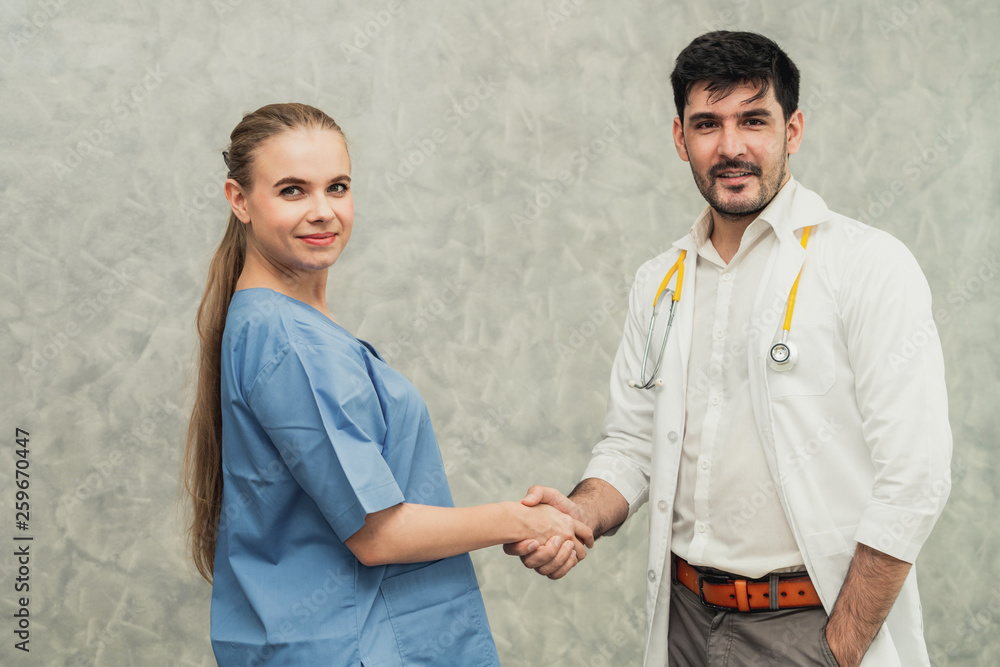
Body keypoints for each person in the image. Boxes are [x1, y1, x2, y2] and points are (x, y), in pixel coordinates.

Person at [504, 31, 952, 667]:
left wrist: (842, 648)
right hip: (686, 622)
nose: (731, 146)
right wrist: (577, 515)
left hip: (813, 625)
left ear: (792, 130)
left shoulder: (866, 265)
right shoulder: (659, 282)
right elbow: (633, 444)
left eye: (754, 120)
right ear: (680, 139)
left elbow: (916, 476)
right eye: (707, 124)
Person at [182, 103, 593, 666]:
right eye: (292, 191)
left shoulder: (286, 327)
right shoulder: (287, 338)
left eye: (338, 187)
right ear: (239, 200)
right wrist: (529, 518)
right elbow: (376, 534)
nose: (323, 211)